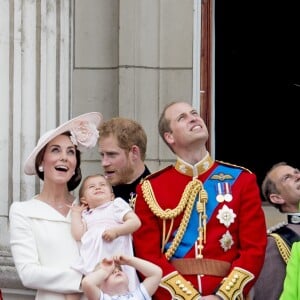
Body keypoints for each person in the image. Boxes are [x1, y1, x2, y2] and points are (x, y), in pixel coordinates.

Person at [132, 101, 267, 299]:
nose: (193, 117)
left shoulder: (242, 180)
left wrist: (223, 295)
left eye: (194, 113)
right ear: (169, 137)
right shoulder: (150, 188)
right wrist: (188, 297)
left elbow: (254, 248)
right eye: (182, 117)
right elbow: (148, 255)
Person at [9, 112, 102, 300]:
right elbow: (29, 273)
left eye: (70, 152)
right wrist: (84, 280)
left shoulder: (89, 207)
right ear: (41, 162)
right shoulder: (23, 211)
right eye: (55, 150)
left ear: (76, 164)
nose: (64, 157)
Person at [70, 173, 141, 293]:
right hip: (95, 263)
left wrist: (116, 232)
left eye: (102, 185)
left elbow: (135, 222)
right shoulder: (86, 215)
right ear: (84, 200)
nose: (98, 187)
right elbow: (78, 235)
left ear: (112, 195)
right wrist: (76, 214)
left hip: (117, 257)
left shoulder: (115, 205)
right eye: (91, 187)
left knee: (125, 287)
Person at [253, 162, 300, 300]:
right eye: (287, 177)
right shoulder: (274, 242)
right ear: (277, 198)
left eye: (297, 172)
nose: (297, 176)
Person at [98, 117, 150, 206]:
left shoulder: (157, 195)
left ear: (134, 153)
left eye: (111, 154)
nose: (104, 163)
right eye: (102, 155)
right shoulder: (99, 194)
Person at [81, 254, 162, 300]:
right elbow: (87, 283)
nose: (116, 271)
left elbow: (156, 273)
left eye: (119, 269)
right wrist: (105, 271)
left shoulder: (138, 295)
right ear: (99, 287)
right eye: (111, 273)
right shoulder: (103, 298)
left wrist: (129, 261)